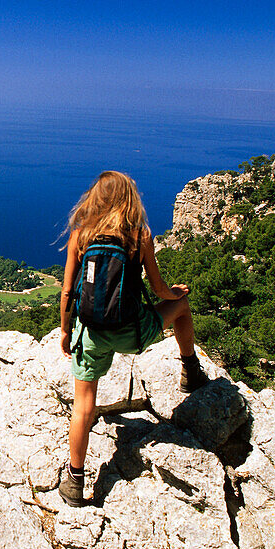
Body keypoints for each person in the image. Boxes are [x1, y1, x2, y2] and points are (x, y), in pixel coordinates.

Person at [57, 171, 208, 507]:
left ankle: (75, 481)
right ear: (129, 200)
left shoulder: (80, 236)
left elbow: (68, 292)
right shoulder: (140, 237)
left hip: (92, 333)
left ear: (94, 198)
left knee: (84, 406)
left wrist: (67, 332)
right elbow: (157, 289)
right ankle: (190, 371)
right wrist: (175, 293)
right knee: (181, 308)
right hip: (132, 333)